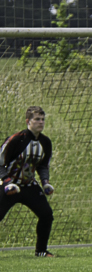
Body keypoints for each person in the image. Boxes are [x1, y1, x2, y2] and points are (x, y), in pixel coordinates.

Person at [0, 107, 56, 257]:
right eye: (37, 119)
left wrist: (45, 182)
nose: (41, 122)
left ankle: (41, 251)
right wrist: (7, 182)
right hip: (9, 185)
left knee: (46, 214)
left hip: (29, 186)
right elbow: (0, 163)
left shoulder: (45, 142)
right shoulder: (16, 140)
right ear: (28, 121)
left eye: (42, 119)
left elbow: (43, 165)